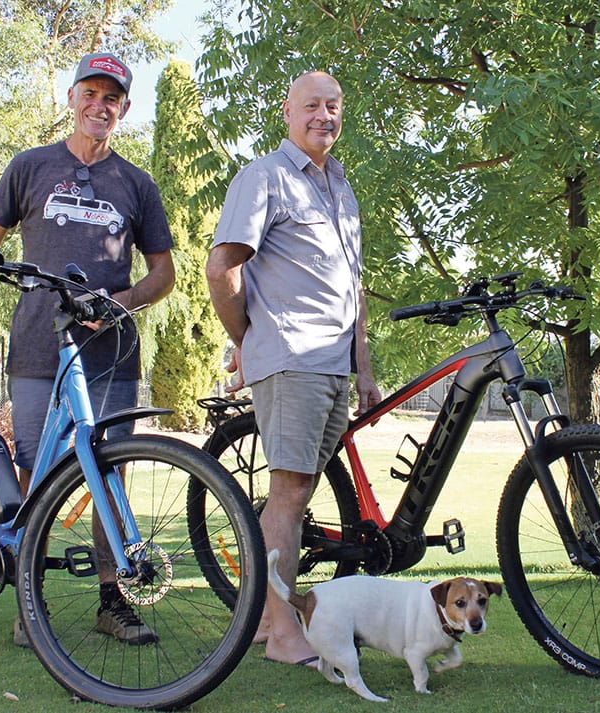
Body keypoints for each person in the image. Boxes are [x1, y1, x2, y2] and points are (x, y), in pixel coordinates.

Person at [0, 52, 176, 647]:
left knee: (112, 478)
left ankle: (114, 603)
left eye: (112, 99)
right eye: (91, 94)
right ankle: (31, 603)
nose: (100, 106)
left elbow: (164, 275)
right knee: (39, 474)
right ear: (71, 98)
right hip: (35, 350)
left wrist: (118, 305)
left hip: (109, 356)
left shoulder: (136, 184)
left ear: (123, 110)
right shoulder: (29, 167)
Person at [205, 70, 381, 666]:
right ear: (288, 112)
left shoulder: (342, 187)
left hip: (333, 366)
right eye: (312, 105)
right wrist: (250, 339)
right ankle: (284, 635)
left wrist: (364, 368)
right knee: (288, 495)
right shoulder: (264, 177)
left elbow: (352, 286)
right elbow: (221, 268)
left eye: (333, 105)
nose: (323, 115)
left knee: (293, 495)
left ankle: (256, 618)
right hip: (291, 359)